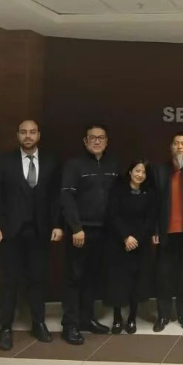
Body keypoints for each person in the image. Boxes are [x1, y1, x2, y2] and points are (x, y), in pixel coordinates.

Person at [0, 120, 63, 350]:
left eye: (32, 132)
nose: (28, 136)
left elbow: (56, 197)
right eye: (23, 132)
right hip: (10, 231)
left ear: (39, 135)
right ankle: (5, 328)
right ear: (17, 135)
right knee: (8, 281)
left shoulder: (51, 161)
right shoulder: (4, 161)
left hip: (40, 230)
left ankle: (38, 323)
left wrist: (58, 225)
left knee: (38, 279)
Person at [60, 123, 119, 345]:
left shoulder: (113, 164)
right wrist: (76, 228)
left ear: (107, 141)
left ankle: (87, 319)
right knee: (75, 278)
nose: (96, 141)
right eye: (92, 138)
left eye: (101, 137)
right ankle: (70, 325)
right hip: (81, 231)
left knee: (92, 277)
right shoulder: (74, 165)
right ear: (85, 142)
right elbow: (66, 197)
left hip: (104, 231)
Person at [152, 132, 183, 332]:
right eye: (176, 143)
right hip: (165, 234)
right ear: (171, 147)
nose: (179, 147)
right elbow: (154, 204)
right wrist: (155, 229)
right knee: (163, 277)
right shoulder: (159, 171)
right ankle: (163, 316)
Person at [104, 159, 156, 335]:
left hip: (140, 243)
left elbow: (150, 219)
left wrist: (137, 239)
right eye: (137, 171)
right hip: (119, 242)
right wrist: (126, 236)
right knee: (118, 281)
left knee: (136, 281)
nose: (140, 175)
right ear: (130, 172)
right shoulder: (118, 190)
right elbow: (112, 215)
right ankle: (117, 318)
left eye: (143, 172)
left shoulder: (149, 192)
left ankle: (132, 317)